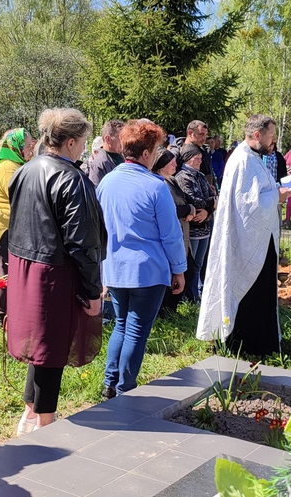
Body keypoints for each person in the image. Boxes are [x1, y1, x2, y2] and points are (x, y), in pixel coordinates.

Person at [7, 108, 104, 434]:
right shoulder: (71, 178)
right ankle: (45, 422)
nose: (83, 149)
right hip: (54, 272)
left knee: (39, 343)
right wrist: (92, 290)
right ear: (71, 142)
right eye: (83, 142)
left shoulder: (25, 170)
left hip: (26, 266)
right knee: (51, 346)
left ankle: (31, 412)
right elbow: (83, 241)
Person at [97, 121, 187, 399]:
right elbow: (171, 235)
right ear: (146, 153)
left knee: (122, 324)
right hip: (147, 271)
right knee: (135, 329)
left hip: (114, 268)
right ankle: (125, 389)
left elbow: (99, 228)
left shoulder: (106, 182)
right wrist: (180, 269)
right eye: (157, 149)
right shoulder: (155, 186)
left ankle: (109, 383)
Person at [197, 114, 291, 358]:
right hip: (247, 240)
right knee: (250, 291)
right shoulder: (243, 160)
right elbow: (248, 204)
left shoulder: (253, 157)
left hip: (259, 237)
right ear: (257, 135)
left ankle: (261, 341)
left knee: (261, 291)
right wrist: (278, 197)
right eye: (271, 137)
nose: (273, 143)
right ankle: (249, 344)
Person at [0, 128, 33, 326]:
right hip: (4, 227)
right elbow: (17, 198)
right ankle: (1, 318)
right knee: (5, 275)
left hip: (13, 226)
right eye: (28, 146)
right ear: (16, 146)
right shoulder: (7, 167)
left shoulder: (16, 165)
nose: (30, 149)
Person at [152, 148, 195, 315]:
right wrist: (189, 209)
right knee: (174, 275)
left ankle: (171, 310)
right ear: (162, 165)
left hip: (183, 234)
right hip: (171, 234)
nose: (176, 164)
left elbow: (186, 200)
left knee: (189, 270)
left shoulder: (172, 180)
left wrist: (190, 208)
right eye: (171, 163)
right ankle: (165, 312)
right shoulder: (159, 184)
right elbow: (172, 209)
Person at [175, 143, 214, 304]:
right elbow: (193, 200)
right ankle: (189, 298)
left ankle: (195, 295)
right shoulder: (183, 177)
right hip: (192, 228)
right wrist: (210, 204)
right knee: (190, 265)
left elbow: (211, 195)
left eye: (200, 158)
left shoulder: (200, 176)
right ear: (188, 159)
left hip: (204, 225)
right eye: (196, 158)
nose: (199, 161)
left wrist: (207, 210)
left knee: (199, 264)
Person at [86, 119, 124, 187]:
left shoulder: (123, 157)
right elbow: (96, 191)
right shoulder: (99, 163)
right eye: (121, 138)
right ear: (108, 139)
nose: (124, 141)